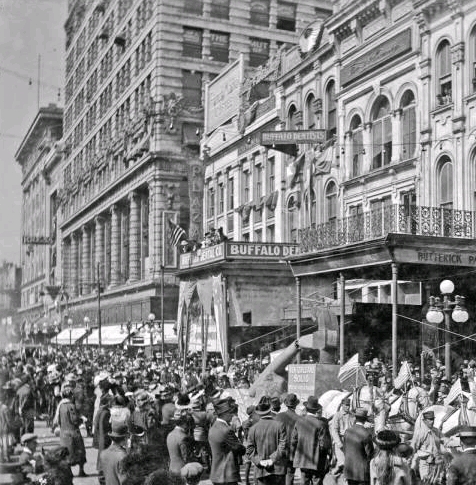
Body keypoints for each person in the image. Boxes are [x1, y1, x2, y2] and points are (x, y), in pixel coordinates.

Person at [290, 396, 332, 485]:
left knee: (304, 481)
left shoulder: (299, 422)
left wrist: (295, 455)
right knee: (317, 481)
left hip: (303, 458)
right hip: (317, 460)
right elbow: (324, 444)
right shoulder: (321, 424)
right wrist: (327, 457)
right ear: (316, 409)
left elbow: (293, 441)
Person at [247, 399, 287, 485]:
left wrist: (260, 461)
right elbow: (283, 445)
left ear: (258, 413)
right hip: (278, 469)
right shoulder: (280, 425)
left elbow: (250, 450)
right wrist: (272, 459)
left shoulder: (253, 429)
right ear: (270, 411)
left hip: (261, 470)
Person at [208, 397, 246, 485]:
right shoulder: (226, 430)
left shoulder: (213, 427)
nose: (232, 415)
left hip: (217, 474)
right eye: (230, 413)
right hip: (227, 475)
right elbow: (240, 449)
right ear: (224, 414)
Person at [56, 384, 87, 477]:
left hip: (63, 433)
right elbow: (74, 420)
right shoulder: (71, 406)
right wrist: (82, 420)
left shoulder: (60, 406)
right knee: (79, 452)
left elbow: (58, 420)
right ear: (70, 395)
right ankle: (81, 471)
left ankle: (69, 472)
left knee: (66, 454)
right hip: (73, 432)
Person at [411, 409, 444, 484]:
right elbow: (413, 448)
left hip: (437, 463)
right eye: (429, 420)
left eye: (433, 419)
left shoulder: (436, 431)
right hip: (425, 463)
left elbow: (444, 440)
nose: (432, 421)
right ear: (424, 420)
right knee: (426, 482)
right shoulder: (420, 433)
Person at [275, 393, 301, 485]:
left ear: (286, 404)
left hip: (279, 450)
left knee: (279, 476)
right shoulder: (300, 419)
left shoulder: (278, 417)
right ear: (296, 404)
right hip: (292, 451)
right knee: (290, 475)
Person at [343, 407, 374, 485]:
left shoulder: (347, 431)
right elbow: (370, 454)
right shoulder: (366, 434)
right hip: (362, 473)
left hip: (349, 470)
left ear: (355, 418)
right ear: (365, 420)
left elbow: (345, 450)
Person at [167, 413, 196, 485]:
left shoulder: (169, 434)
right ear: (185, 424)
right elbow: (186, 457)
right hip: (182, 470)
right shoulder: (183, 437)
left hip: (172, 468)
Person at [330, 397, 355, 469]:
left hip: (350, 441)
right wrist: (338, 443)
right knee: (342, 463)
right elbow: (334, 430)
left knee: (350, 463)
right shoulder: (337, 415)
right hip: (341, 439)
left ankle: (345, 478)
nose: (347, 407)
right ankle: (335, 473)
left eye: (348, 405)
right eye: (346, 405)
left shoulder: (352, 415)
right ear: (342, 405)